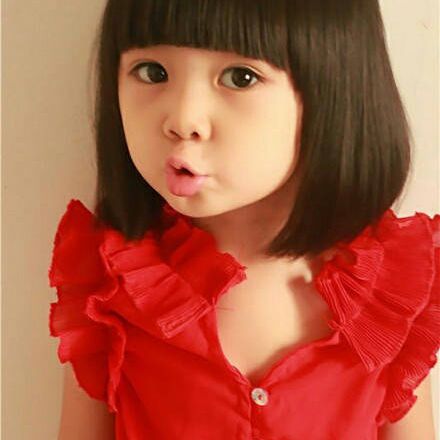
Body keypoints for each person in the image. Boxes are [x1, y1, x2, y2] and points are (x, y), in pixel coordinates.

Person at [48, 0, 440, 439]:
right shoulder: (109, 276)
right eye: (152, 72)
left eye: (241, 77)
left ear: (334, 87)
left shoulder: (392, 288)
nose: (183, 120)